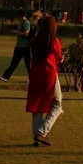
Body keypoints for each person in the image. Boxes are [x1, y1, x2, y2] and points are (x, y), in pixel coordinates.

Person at [26, 16, 65, 146]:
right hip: (49, 75)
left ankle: (37, 136)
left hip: (35, 76)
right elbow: (58, 58)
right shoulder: (54, 42)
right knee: (56, 105)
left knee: (37, 107)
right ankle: (42, 132)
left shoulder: (34, 41)